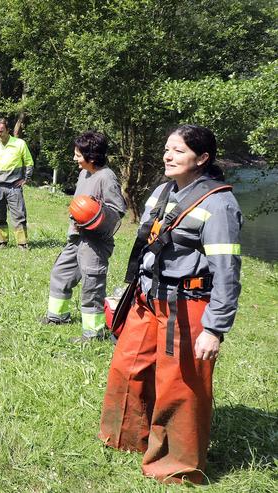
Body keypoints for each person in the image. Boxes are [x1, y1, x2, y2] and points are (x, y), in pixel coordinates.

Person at [98, 125, 242, 484]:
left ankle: (176, 465)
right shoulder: (163, 191)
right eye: (167, 149)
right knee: (127, 368)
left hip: (188, 305)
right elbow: (147, 246)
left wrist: (214, 328)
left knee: (180, 384)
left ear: (202, 158)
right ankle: (128, 438)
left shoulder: (219, 204)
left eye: (178, 151)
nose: (168, 156)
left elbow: (227, 271)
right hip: (148, 300)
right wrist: (127, 290)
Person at [42, 132, 127, 341]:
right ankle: (57, 316)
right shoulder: (84, 174)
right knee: (61, 272)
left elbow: (118, 210)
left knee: (92, 284)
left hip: (95, 242)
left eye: (78, 155)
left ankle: (93, 333)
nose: (74, 159)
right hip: (76, 237)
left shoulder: (107, 177)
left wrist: (95, 214)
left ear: (91, 156)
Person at [0, 117, 34, 249]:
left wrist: (26, 178)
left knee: (19, 216)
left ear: (8, 130)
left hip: (14, 187)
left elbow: (29, 162)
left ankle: (22, 244)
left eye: (2, 131)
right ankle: (2, 242)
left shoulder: (20, 144)